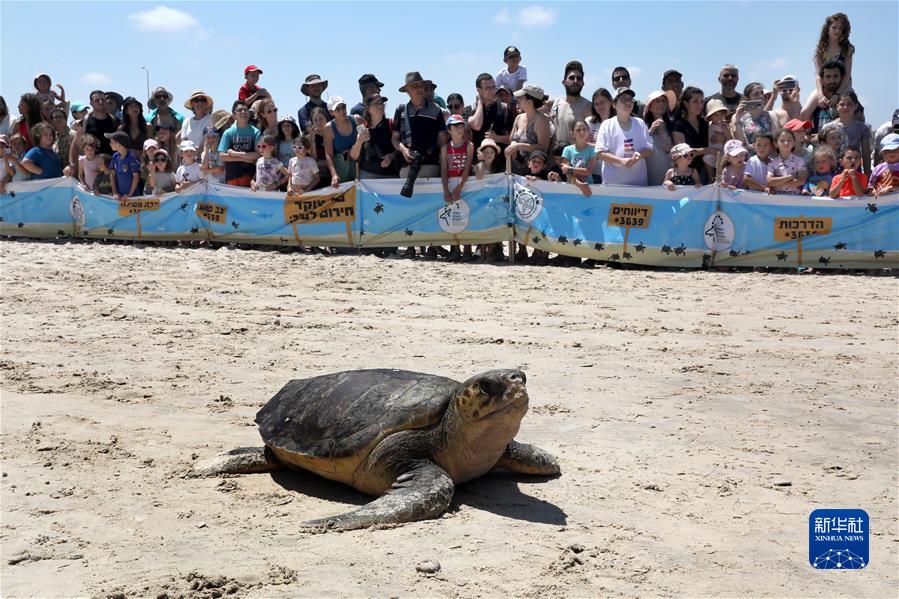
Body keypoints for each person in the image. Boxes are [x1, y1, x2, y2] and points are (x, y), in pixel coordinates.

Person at [392, 72, 448, 180]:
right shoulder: (400, 110)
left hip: (430, 166)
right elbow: (395, 138)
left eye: (421, 85)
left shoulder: (436, 110)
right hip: (406, 167)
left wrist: (442, 162)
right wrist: (404, 150)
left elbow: (442, 140)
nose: (419, 88)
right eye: (415, 86)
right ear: (407, 90)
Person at [596, 88, 653, 186]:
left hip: (638, 185)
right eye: (623, 100)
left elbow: (649, 149)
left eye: (630, 99)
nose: (628, 103)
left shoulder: (640, 123)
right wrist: (621, 161)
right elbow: (600, 154)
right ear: (614, 104)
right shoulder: (606, 125)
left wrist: (639, 154)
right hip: (613, 186)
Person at [805, 13, 855, 115]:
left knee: (858, 116)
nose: (837, 30)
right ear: (828, 28)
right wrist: (820, 94)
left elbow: (847, 75)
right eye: (834, 27)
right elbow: (818, 75)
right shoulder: (821, 49)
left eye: (840, 28)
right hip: (824, 87)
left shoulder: (847, 49)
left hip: (844, 87)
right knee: (804, 113)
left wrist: (838, 94)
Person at [505, 84, 551, 175]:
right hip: (514, 171)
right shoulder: (518, 118)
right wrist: (513, 144)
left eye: (521, 97)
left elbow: (543, 148)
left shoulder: (541, 120)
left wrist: (519, 146)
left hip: (533, 175)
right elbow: (512, 139)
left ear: (530, 102)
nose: (517, 99)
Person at [217, 100, 261, 187]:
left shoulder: (256, 132)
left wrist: (234, 154)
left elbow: (258, 154)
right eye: (240, 110)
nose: (244, 112)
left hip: (251, 178)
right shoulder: (228, 133)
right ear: (234, 115)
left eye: (246, 110)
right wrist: (244, 159)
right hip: (231, 177)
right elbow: (222, 156)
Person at [323, 96, 365, 186]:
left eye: (343, 107)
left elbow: (367, 140)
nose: (342, 111)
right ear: (331, 112)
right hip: (341, 169)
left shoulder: (357, 120)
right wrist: (334, 175)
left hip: (360, 165)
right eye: (337, 109)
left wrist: (353, 151)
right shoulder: (329, 128)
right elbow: (328, 155)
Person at [671, 87, 710, 181]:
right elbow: (683, 152)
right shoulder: (678, 124)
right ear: (686, 104)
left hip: (706, 170)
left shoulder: (705, 123)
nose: (699, 104)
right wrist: (709, 150)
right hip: (687, 174)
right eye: (695, 101)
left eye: (701, 101)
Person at [468, 73, 514, 152]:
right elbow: (476, 125)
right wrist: (480, 103)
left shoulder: (504, 108)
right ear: (479, 90)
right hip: (478, 161)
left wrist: (498, 138)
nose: (492, 91)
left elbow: (514, 137)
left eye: (493, 87)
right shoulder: (470, 110)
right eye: (487, 88)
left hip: (501, 160)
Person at [801, 60, 849, 134]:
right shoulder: (817, 94)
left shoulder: (847, 94)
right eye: (828, 76)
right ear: (822, 79)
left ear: (841, 78)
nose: (832, 80)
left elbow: (859, 118)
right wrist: (810, 134)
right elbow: (804, 114)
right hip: (821, 142)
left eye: (835, 76)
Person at [551, 61, 591, 146]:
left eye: (579, 78)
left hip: (576, 158)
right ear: (564, 82)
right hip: (554, 157)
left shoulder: (588, 107)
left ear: (583, 83)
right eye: (571, 78)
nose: (575, 81)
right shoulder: (556, 103)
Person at [358, 93, 398, 179]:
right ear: (368, 109)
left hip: (390, 176)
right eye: (377, 103)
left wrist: (391, 157)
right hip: (366, 176)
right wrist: (359, 141)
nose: (381, 105)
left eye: (382, 103)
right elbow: (354, 155)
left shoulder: (392, 124)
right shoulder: (362, 128)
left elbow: (401, 148)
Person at [733, 82, 780, 150]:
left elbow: (775, 141)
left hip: (770, 158)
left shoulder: (771, 115)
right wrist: (737, 117)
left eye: (762, 93)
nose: (761, 96)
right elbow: (741, 143)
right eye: (756, 94)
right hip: (750, 158)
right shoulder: (740, 118)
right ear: (747, 98)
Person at [643, 89, 675, 186]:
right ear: (650, 107)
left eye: (663, 101)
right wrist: (650, 131)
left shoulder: (673, 125)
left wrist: (671, 148)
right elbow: (639, 147)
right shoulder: (642, 125)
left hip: (670, 176)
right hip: (649, 174)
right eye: (657, 101)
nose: (661, 103)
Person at [832, 92, 871, 174]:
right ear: (837, 106)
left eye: (849, 104)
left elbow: (866, 155)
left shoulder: (863, 128)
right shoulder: (828, 128)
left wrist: (867, 176)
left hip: (854, 170)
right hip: (833, 171)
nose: (845, 107)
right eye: (842, 104)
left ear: (856, 106)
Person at [561, 121, 596, 196]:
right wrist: (579, 184)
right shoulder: (567, 150)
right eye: (578, 130)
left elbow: (588, 171)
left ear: (588, 132)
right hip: (571, 188)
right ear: (572, 133)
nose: (582, 132)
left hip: (588, 188)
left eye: (584, 129)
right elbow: (566, 173)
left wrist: (570, 169)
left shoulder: (592, 149)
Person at [767, 129, 807, 195]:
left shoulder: (799, 161)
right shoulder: (772, 163)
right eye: (782, 140)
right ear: (775, 144)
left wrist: (777, 184)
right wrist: (791, 177)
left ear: (794, 142)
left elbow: (801, 180)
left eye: (789, 140)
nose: (786, 142)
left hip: (795, 200)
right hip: (777, 200)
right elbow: (769, 181)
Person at [703, 98, 733, 180]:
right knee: (706, 158)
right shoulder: (709, 125)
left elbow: (730, 140)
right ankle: (711, 177)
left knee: (721, 165)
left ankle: (720, 178)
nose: (719, 117)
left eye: (721, 114)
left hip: (721, 150)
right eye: (716, 115)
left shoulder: (723, 125)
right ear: (710, 116)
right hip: (712, 149)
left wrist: (722, 140)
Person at [83, 90, 119, 155]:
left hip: (111, 162)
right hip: (91, 162)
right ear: (91, 103)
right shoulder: (85, 121)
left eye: (103, 100)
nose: (100, 102)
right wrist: (72, 163)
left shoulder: (116, 121)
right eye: (97, 100)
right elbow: (77, 144)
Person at [106, 131, 140, 199]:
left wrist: (129, 194)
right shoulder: (115, 156)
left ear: (119, 144)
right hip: (119, 196)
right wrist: (115, 192)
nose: (110, 144)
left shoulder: (131, 158)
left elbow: (136, 177)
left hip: (132, 197)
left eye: (112, 142)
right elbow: (112, 174)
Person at [118, 96, 148, 161]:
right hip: (126, 163)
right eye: (131, 107)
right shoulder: (121, 129)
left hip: (143, 162)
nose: (134, 108)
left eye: (137, 106)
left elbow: (150, 145)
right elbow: (119, 147)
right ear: (126, 111)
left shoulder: (148, 127)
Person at [49, 107, 73, 174]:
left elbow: (79, 156)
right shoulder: (53, 137)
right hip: (58, 175)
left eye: (60, 117)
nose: (58, 119)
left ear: (65, 119)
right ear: (52, 121)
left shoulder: (73, 135)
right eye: (55, 117)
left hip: (71, 175)